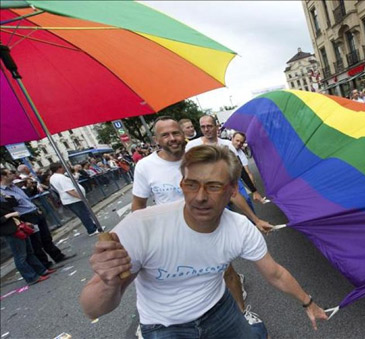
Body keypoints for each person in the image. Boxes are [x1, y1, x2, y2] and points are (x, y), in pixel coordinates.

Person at [79, 145, 328, 338]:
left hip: (220, 311)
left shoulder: (241, 229)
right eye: (192, 184)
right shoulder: (141, 226)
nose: (199, 197)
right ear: (182, 185)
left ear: (232, 191)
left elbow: (274, 273)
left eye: (213, 186)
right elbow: (93, 309)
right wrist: (108, 281)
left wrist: (308, 302)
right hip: (164, 327)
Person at [134, 115, 272, 325]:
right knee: (182, 280)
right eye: (165, 135)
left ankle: (242, 315)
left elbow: (231, 193)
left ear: (184, 135)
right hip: (171, 235)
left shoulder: (200, 159)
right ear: (156, 140)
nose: (172, 138)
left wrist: (255, 219)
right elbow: (138, 206)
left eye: (176, 133)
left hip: (207, 228)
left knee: (227, 271)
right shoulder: (145, 167)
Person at [1, 168, 76, 268]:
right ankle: (45, 264)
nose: (13, 174)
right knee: (36, 242)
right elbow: (8, 207)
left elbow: (26, 199)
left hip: (34, 212)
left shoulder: (15, 186)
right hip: (25, 216)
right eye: (10, 173)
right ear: (3, 176)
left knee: (46, 237)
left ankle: (58, 256)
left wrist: (36, 208)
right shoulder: (2, 192)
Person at [0, 191, 56, 285]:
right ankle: (31, 277)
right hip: (10, 230)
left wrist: (6, 196)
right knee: (20, 255)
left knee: (29, 252)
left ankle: (41, 270)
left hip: (18, 226)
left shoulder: (2, 200)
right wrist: (10, 215)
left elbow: (13, 204)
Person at [49, 162, 100, 235]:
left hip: (68, 200)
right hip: (73, 200)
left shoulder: (53, 177)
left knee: (83, 214)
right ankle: (92, 229)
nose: (65, 168)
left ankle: (92, 227)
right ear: (59, 168)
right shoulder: (61, 178)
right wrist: (82, 198)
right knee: (84, 215)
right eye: (63, 167)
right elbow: (69, 190)